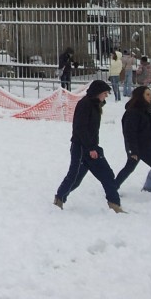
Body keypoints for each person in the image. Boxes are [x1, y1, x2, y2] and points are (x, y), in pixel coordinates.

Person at [53, 79, 124, 213]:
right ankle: (59, 199)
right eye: (105, 93)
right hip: (81, 148)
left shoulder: (95, 105)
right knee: (74, 177)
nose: (106, 96)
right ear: (97, 92)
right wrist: (90, 147)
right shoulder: (85, 104)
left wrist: (93, 146)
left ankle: (114, 205)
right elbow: (80, 128)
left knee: (107, 175)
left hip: (92, 147)